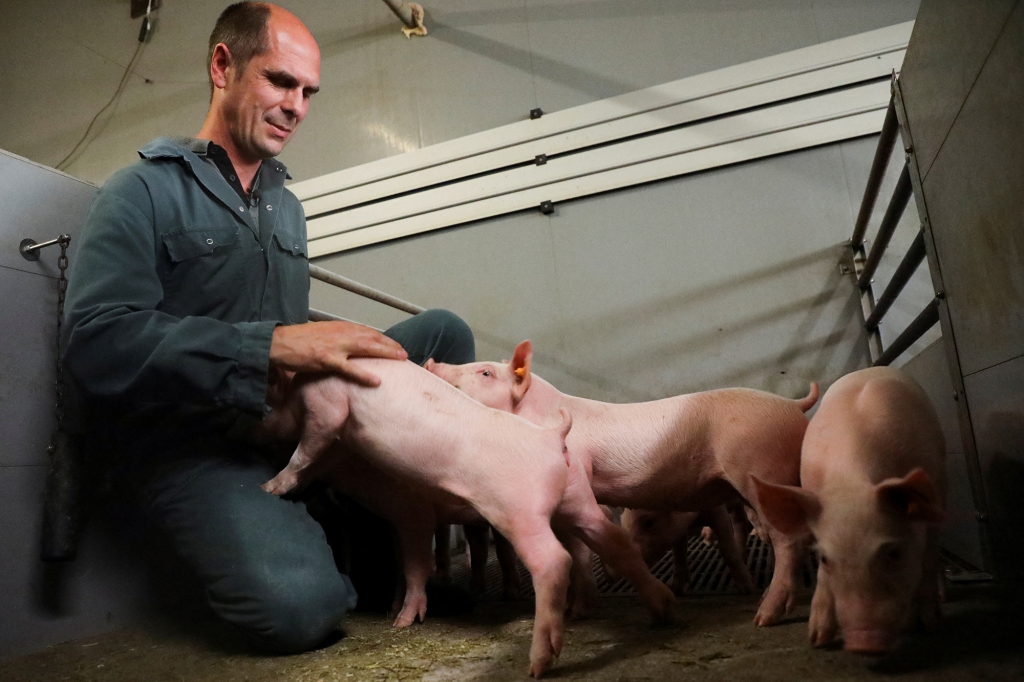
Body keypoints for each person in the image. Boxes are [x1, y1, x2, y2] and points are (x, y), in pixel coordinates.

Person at [62, 2, 474, 653]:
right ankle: (346, 555)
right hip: (201, 444)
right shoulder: (140, 191)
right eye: (281, 82)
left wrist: (334, 347)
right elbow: (97, 340)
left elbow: (286, 328)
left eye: (309, 92)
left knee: (443, 334)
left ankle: (374, 535)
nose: (297, 106)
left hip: (289, 421)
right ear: (223, 66)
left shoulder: (287, 208)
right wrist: (274, 344)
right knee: (296, 607)